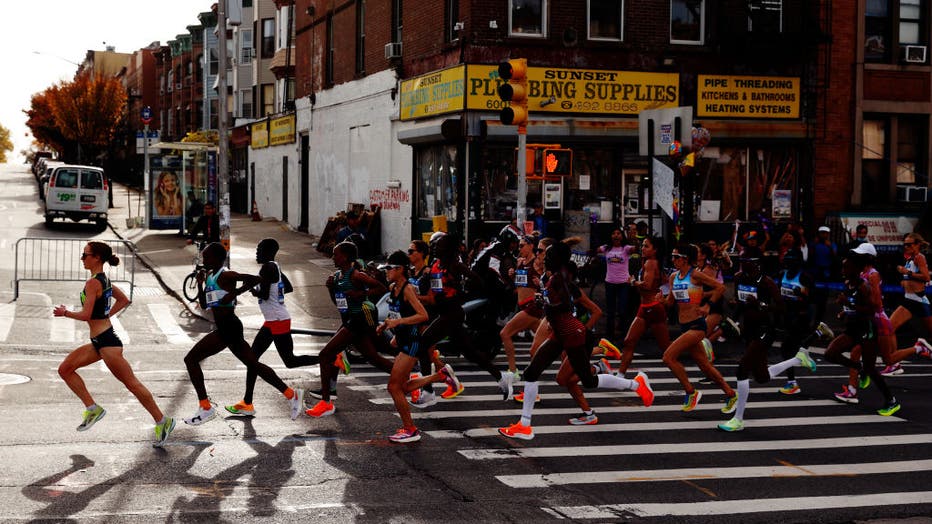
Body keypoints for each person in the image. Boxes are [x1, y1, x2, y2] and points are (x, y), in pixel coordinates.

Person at [498, 241, 654, 440]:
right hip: (560, 335)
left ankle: (636, 384)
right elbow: (557, 301)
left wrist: (548, 303)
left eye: (549, 256)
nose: (545, 258)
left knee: (588, 380)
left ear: (557, 260)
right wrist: (544, 300)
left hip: (571, 335)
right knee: (531, 372)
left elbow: (563, 303)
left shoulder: (557, 280)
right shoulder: (554, 278)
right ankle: (524, 425)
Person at [54, 241, 175, 447]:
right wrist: (104, 316)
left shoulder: (93, 283)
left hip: (108, 343)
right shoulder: (103, 280)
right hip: (99, 341)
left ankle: (163, 421)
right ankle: (93, 409)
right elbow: (124, 300)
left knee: (132, 384)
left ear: (97, 258)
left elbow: (86, 315)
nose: (82, 259)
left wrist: (65, 313)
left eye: (85, 255)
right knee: (65, 369)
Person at [183, 242, 305, 425]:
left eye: (206, 257)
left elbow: (256, 280)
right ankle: (291, 394)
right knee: (253, 364)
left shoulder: (227, 275)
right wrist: (200, 285)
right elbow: (206, 304)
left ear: (217, 258)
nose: (203, 260)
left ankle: (206, 408)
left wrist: (235, 293)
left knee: (191, 359)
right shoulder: (210, 276)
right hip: (227, 328)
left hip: (229, 327)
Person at [717, 253, 820, 432]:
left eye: (747, 261)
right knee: (762, 377)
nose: (743, 265)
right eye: (742, 262)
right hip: (749, 331)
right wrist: (733, 320)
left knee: (742, 370)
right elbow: (741, 304)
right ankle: (798, 359)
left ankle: (738, 419)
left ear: (757, 265)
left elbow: (781, 306)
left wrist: (761, 304)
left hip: (765, 330)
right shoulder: (738, 278)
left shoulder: (767, 283)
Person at [225, 239, 321, 417]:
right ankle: (247, 402)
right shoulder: (274, 267)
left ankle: (329, 358)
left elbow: (264, 293)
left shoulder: (268, 268)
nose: (256, 252)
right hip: (273, 320)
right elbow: (288, 287)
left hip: (277, 320)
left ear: (268, 251)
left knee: (289, 361)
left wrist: (251, 292)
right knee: (252, 359)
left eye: (259, 248)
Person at [378, 250, 458, 443]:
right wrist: (388, 325)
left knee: (393, 387)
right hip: (404, 340)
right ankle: (440, 376)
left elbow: (423, 316)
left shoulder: (407, 289)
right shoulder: (392, 288)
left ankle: (410, 430)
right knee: (402, 387)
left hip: (413, 343)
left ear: (400, 269)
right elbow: (397, 313)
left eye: (389, 268)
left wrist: (399, 324)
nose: (386, 271)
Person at [308, 241, 394, 417]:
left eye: (336, 254)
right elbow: (340, 305)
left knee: (326, 354)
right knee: (373, 358)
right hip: (349, 319)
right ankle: (411, 378)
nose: (333, 257)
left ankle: (326, 401)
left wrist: (360, 294)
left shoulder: (356, 275)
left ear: (345, 256)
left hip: (360, 318)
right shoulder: (338, 276)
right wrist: (331, 290)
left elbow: (381, 288)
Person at [662, 243, 736, 412]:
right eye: (672, 256)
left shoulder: (695, 275)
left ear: (685, 259)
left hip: (697, 325)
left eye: (676, 257)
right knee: (705, 366)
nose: (673, 260)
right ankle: (731, 394)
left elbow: (720, 287)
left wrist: (708, 306)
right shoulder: (674, 277)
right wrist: (662, 301)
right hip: (684, 325)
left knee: (668, 357)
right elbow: (670, 303)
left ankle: (690, 391)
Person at [824, 253, 900, 416]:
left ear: (856, 269)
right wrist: (845, 313)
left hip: (867, 331)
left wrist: (848, 303)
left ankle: (891, 401)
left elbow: (872, 310)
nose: (843, 269)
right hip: (853, 329)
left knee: (872, 369)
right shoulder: (848, 284)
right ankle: (859, 368)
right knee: (830, 354)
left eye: (846, 267)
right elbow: (855, 307)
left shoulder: (863, 286)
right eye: (843, 266)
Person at [500, 233, 546, 379]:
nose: (519, 248)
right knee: (553, 342)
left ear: (531, 246)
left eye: (522, 246)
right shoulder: (520, 262)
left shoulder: (537, 262)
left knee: (505, 334)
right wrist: (513, 275)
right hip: (524, 306)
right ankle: (597, 355)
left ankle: (513, 372)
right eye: (519, 246)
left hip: (532, 306)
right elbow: (519, 286)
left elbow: (546, 276)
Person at [890, 233, 932, 360]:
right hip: (910, 299)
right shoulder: (909, 259)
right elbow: (912, 278)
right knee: (890, 327)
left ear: (917, 245)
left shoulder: (919, 257)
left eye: (909, 244)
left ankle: (921, 347)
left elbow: (926, 277)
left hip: (919, 301)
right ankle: (893, 362)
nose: (906, 247)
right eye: (905, 245)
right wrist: (904, 282)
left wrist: (907, 272)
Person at [598, 227, 636, 341]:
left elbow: (635, 249)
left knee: (622, 310)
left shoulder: (626, 248)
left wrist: (633, 237)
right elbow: (595, 250)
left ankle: (624, 333)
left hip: (624, 283)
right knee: (610, 310)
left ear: (622, 236)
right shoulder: (606, 248)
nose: (616, 235)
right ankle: (609, 334)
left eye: (618, 233)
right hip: (609, 282)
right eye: (613, 233)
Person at [810, 225, 838, 326]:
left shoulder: (832, 245)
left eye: (825, 233)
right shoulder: (814, 244)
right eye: (822, 233)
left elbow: (835, 258)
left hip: (826, 273)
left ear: (828, 234)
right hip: (816, 272)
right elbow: (810, 257)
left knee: (824, 296)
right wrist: (814, 245)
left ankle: (821, 318)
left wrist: (829, 247)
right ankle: (815, 317)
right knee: (815, 296)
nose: (823, 235)